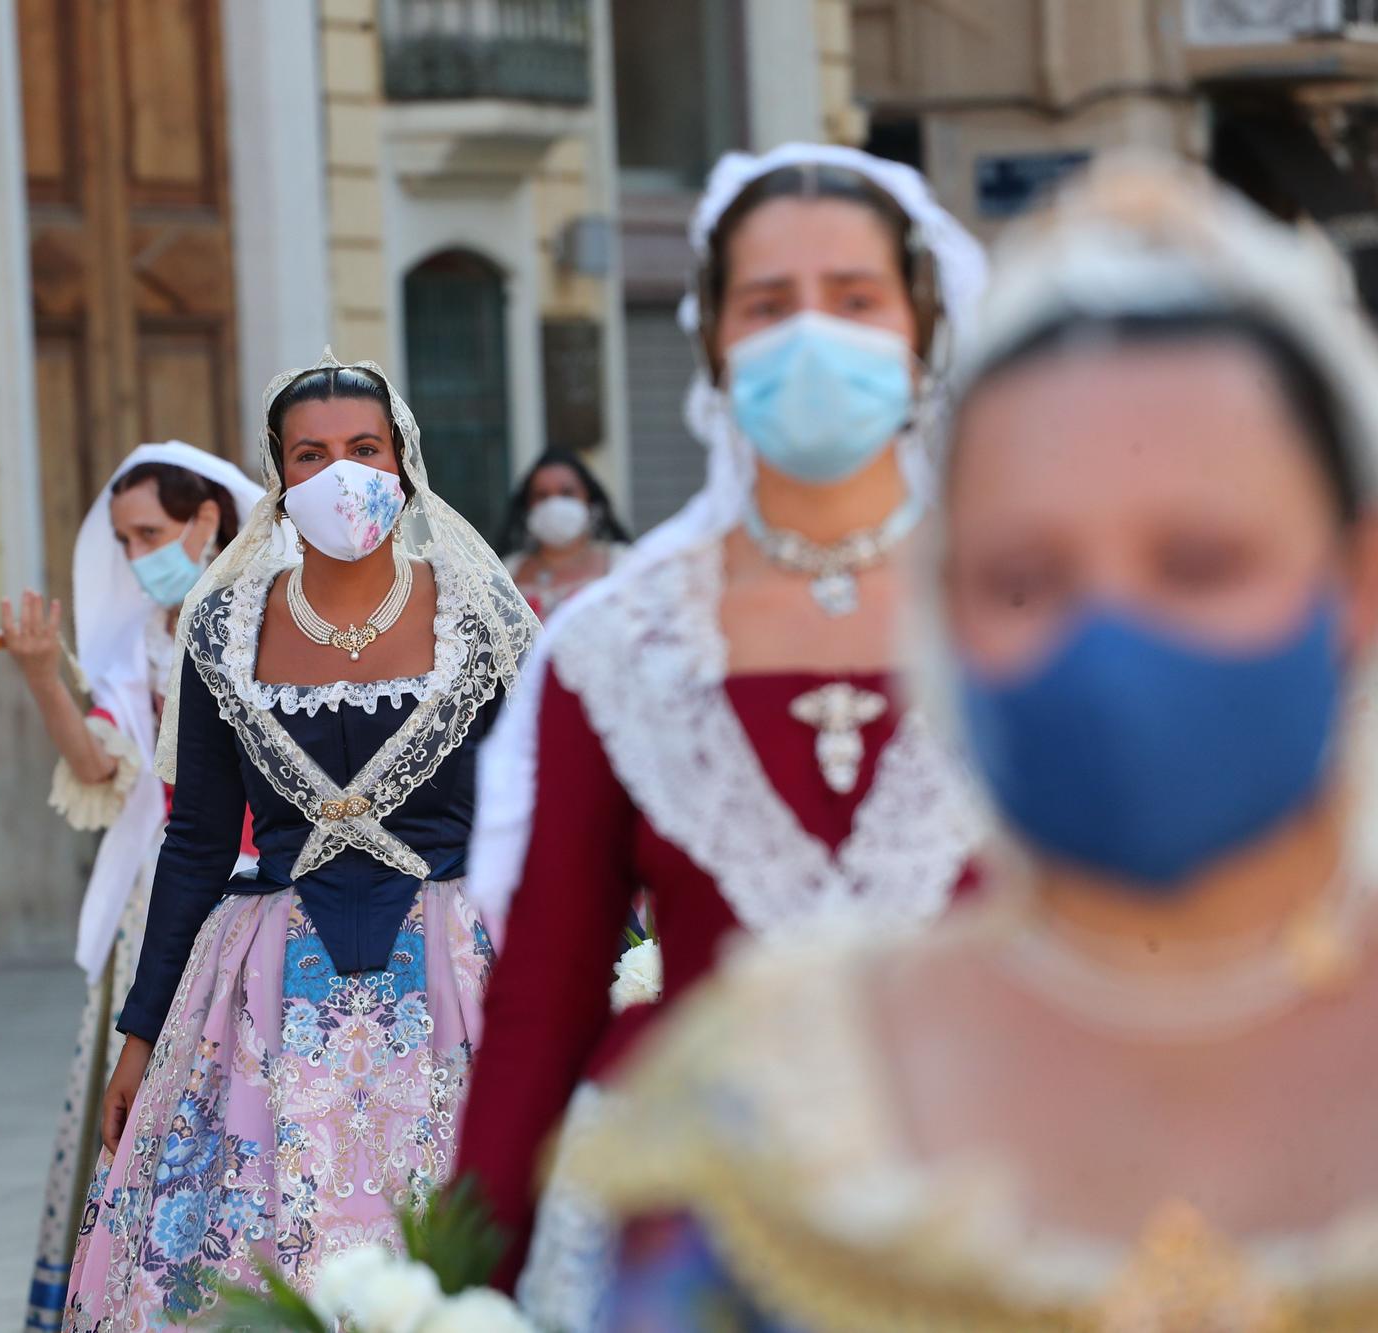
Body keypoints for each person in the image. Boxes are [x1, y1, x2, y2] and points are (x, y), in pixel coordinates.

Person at [571, 155, 1378, 1329]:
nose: (1108, 641)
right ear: (944, 609)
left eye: (1197, 563)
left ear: (1355, 579)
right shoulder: (785, 1111)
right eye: (1024, 579)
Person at [452, 144, 990, 1323]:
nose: (812, 336)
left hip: (999, 1231)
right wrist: (450, 1287)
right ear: (713, 345)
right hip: (705, 1257)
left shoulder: (1024, 612)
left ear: (920, 331)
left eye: (853, 300)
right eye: (767, 305)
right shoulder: (622, 648)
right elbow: (543, 999)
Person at [59, 351, 537, 1328]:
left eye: (363, 448)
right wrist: (140, 1037)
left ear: (401, 460)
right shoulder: (223, 629)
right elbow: (193, 843)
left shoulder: (477, 618)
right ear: (278, 479)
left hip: (453, 973)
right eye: (310, 455)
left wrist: (610, 974)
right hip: (270, 982)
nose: (341, 474)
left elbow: (533, 817)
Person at [9, 441, 263, 1332]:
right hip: (168, 891)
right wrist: (44, 673)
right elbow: (99, 765)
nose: (135, 555)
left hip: (272, 888)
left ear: (207, 521)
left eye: (149, 532)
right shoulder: (146, 645)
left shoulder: (268, 614)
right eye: (122, 539)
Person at [498, 451, 632, 619]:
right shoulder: (507, 571)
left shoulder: (623, 563)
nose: (554, 503)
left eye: (567, 493)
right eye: (542, 495)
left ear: (589, 500)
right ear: (527, 507)